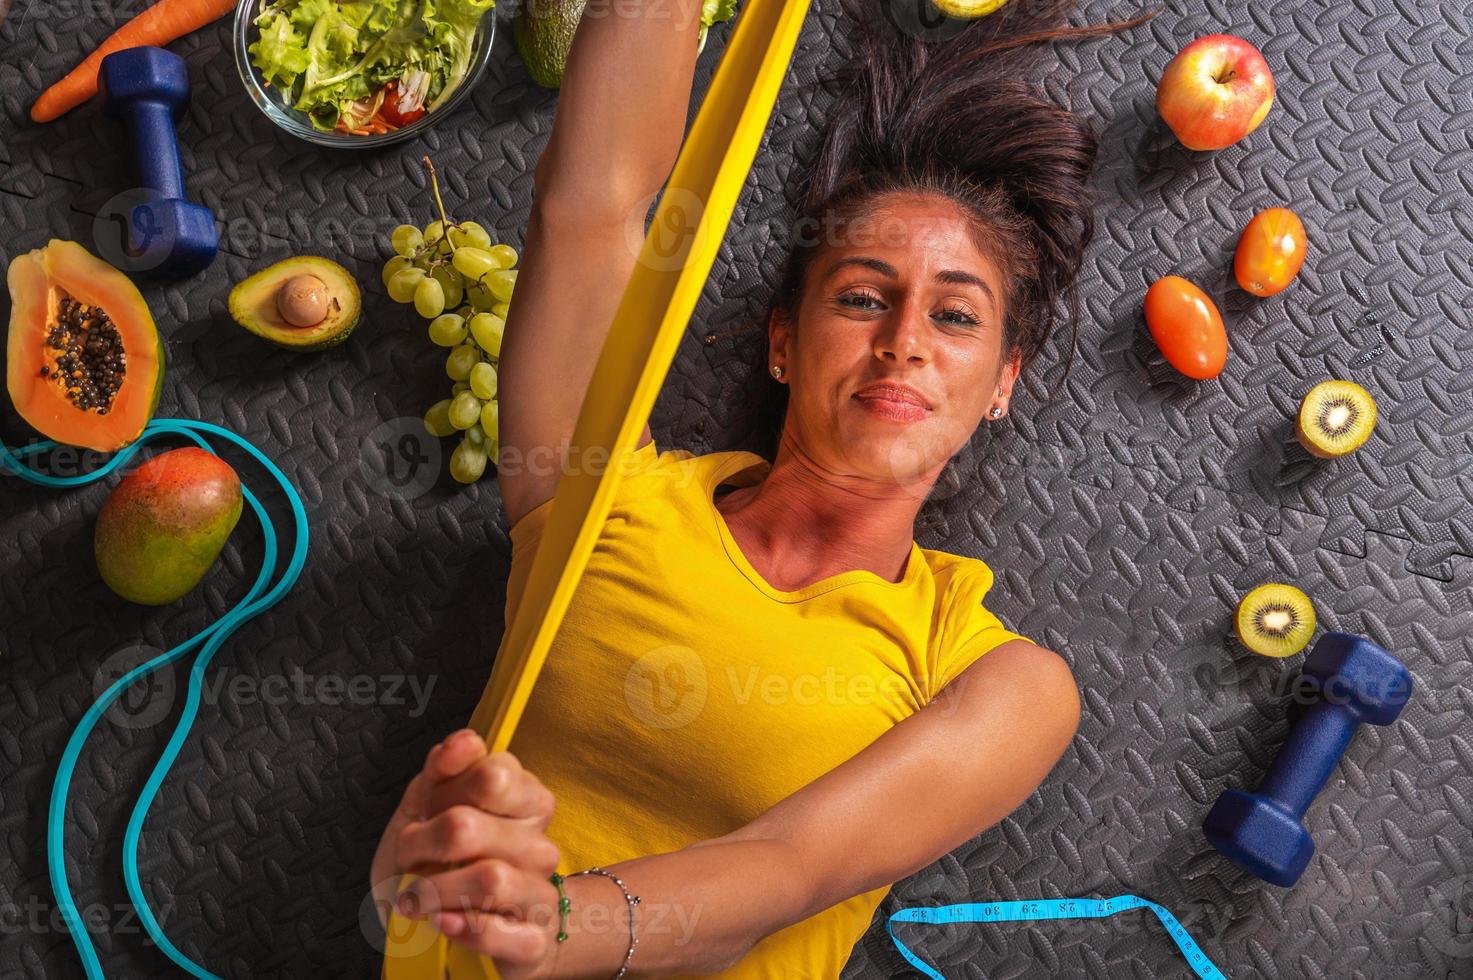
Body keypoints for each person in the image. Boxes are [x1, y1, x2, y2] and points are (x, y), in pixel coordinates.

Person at [373, 0, 1151, 976]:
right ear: (783, 341)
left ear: (1003, 382)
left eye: (955, 316)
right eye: (862, 296)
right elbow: (590, 203)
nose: (903, 338)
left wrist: (560, 923)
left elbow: (784, 867)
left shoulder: (998, 681)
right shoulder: (600, 491)